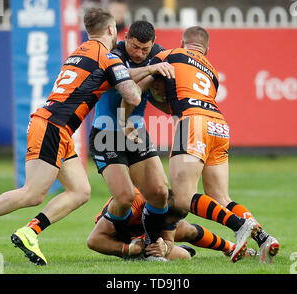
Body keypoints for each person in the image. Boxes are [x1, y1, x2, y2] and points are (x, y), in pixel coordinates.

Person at [0, 7, 142, 266]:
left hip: (57, 128)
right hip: (52, 126)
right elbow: (132, 96)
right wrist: (149, 73)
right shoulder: (107, 57)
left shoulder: (78, 53)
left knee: (80, 190)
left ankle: (30, 231)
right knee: (33, 193)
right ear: (111, 29)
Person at [139, 26, 280, 263]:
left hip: (192, 124)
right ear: (207, 49)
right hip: (219, 125)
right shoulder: (212, 71)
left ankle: (239, 227)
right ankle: (264, 237)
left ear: (183, 42)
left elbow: (145, 82)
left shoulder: (170, 55)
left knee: (184, 197)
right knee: (222, 197)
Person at [88, 20, 175, 258]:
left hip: (136, 133)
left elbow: (165, 76)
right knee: (125, 197)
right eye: (135, 47)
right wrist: (150, 69)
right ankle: (121, 242)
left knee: (159, 192)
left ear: (153, 44)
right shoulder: (112, 54)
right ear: (126, 38)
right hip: (106, 134)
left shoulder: (158, 54)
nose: (139, 53)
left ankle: (151, 246)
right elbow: (122, 81)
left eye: (145, 50)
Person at [87, 188, 257, 261]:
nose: (171, 226)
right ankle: (140, 255)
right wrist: (129, 249)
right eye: (169, 223)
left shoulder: (166, 205)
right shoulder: (132, 203)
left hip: (144, 236)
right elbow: (93, 240)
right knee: (185, 256)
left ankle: (230, 248)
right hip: (122, 238)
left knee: (187, 230)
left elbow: (168, 238)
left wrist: (165, 248)